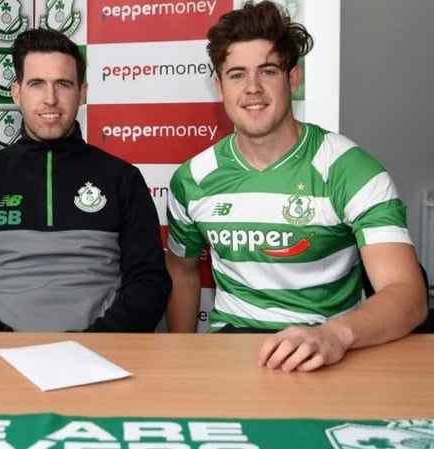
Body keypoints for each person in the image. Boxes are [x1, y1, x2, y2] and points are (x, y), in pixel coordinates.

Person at [165, 1, 428, 371]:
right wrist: (182, 360)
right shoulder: (192, 179)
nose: (252, 88)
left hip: (330, 350)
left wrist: (334, 335)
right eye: (237, 74)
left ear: (293, 78)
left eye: (268, 71)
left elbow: (408, 294)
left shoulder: (350, 170)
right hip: (232, 351)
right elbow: (182, 270)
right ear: (219, 86)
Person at [0, 28, 170, 332]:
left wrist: (97, 344)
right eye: (37, 84)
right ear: (17, 93)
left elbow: (149, 281)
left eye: (63, 84)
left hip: (100, 356)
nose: (50, 99)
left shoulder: (122, 178)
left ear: (81, 93)